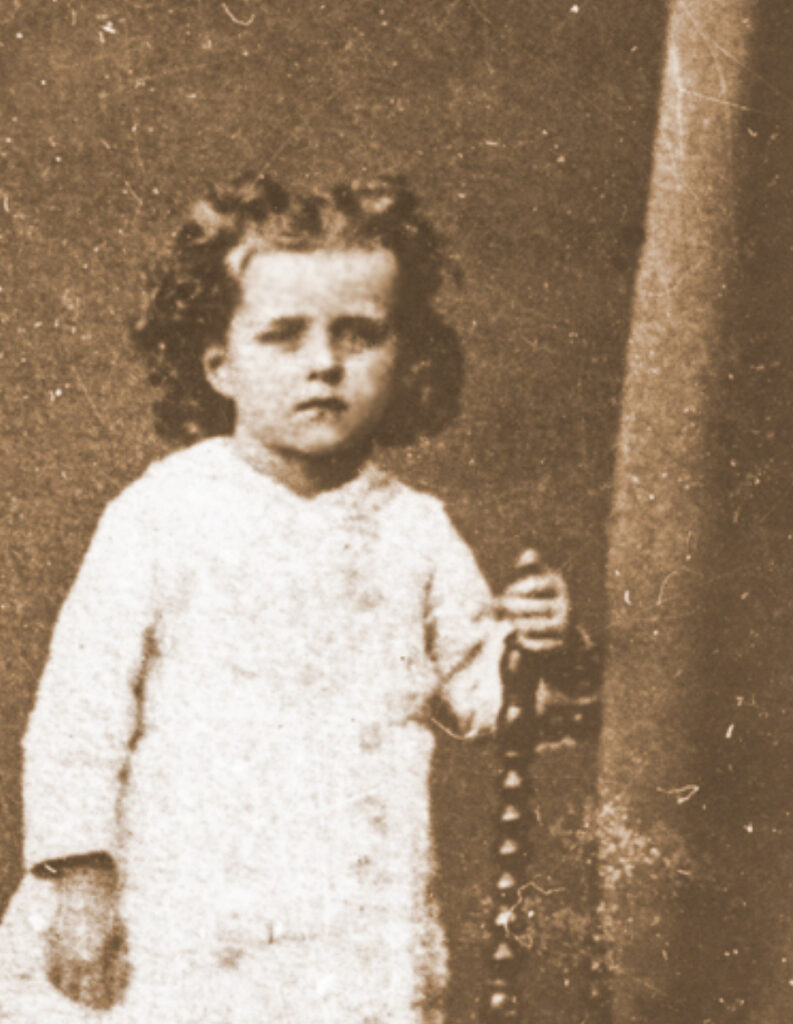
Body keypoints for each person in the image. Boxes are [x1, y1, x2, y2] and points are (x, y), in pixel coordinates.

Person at [0, 174, 571, 1024]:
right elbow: (79, 714)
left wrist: (536, 644)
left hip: (349, 918)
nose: (324, 363)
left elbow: (484, 700)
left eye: (359, 334)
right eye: (283, 335)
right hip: (174, 910)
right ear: (219, 365)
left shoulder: (415, 530)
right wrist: (80, 875)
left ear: (406, 359)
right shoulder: (162, 513)